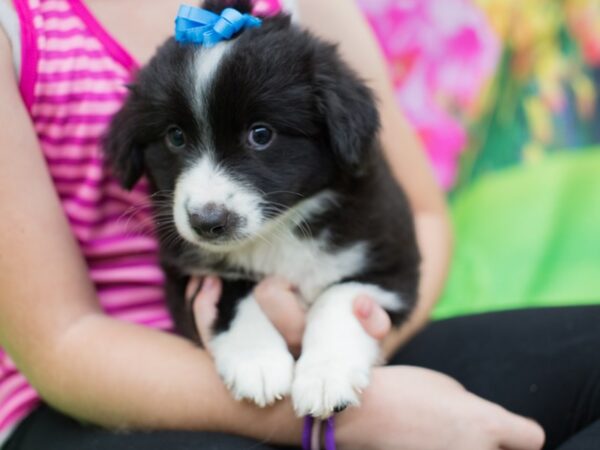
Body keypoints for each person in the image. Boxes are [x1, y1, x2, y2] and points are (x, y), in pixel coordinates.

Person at [0, 0, 555, 448]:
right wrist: (342, 421)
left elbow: (420, 228)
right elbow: (61, 345)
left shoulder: (310, 28)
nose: (207, 201)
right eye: (176, 141)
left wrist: (345, 344)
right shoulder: (22, 26)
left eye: (259, 136)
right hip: (99, 390)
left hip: (350, 359)